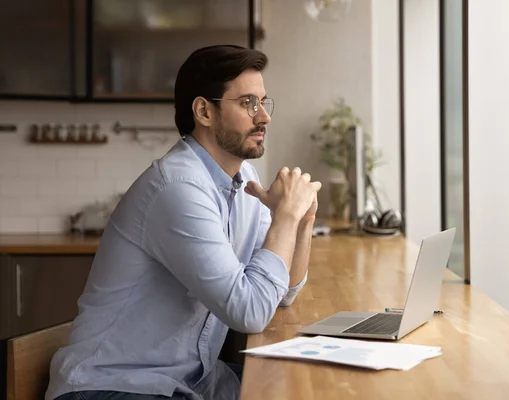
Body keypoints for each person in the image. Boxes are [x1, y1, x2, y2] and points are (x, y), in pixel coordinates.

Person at [46, 45, 321, 400]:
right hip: (113, 387)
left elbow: (280, 294)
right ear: (205, 111)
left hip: (190, 381)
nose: (263, 117)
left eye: (263, 102)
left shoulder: (243, 179)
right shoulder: (178, 188)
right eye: (247, 103)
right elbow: (250, 312)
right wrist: (284, 218)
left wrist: (303, 220)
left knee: (300, 389)